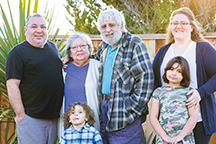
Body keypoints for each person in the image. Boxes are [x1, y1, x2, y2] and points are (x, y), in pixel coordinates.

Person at [153, 7, 216, 144]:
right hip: (168, 123)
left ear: (192, 27)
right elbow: (154, 82)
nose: (178, 26)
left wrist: (201, 92)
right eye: (174, 23)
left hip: (198, 119)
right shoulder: (163, 52)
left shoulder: (202, 48)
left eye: (183, 23)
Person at [94, 9, 154, 144]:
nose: (108, 29)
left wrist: (131, 109)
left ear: (121, 25)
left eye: (112, 25)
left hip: (124, 111)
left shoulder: (134, 44)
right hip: (103, 108)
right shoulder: (103, 47)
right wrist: (69, 57)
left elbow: (146, 80)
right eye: (103, 26)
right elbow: (90, 61)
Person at [6, 13, 64, 143]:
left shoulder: (53, 48)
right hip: (31, 119)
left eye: (43, 27)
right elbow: (12, 85)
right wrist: (21, 116)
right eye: (34, 26)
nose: (39, 30)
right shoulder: (17, 53)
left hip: (54, 119)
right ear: (26, 30)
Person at [59, 32, 100, 137]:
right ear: (70, 52)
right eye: (74, 47)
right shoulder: (62, 69)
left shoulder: (98, 67)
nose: (79, 49)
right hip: (68, 126)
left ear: (89, 48)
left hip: (92, 125)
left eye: (82, 46)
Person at [150, 56, 198, 144]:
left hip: (184, 139)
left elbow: (193, 116)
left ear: (185, 75)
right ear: (166, 70)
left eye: (179, 71)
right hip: (163, 139)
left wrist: (181, 136)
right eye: (171, 69)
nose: (174, 73)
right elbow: (153, 117)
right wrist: (165, 137)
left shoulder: (189, 92)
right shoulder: (158, 92)